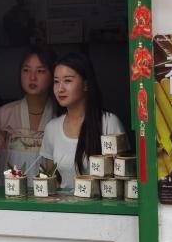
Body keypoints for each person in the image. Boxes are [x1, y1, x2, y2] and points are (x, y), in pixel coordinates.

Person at [40, 51, 125, 189]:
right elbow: (51, 180)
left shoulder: (109, 123)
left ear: (86, 84)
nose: (60, 88)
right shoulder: (52, 128)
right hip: (63, 202)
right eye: (56, 81)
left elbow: (122, 177)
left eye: (68, 80)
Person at [0, 46, 58, 184]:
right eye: (26, 70)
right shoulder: (5, 114)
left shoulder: (60, 115)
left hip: (48, 189)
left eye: (40, 71)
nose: (32, 77)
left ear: (53, 75)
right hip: (10, 187)